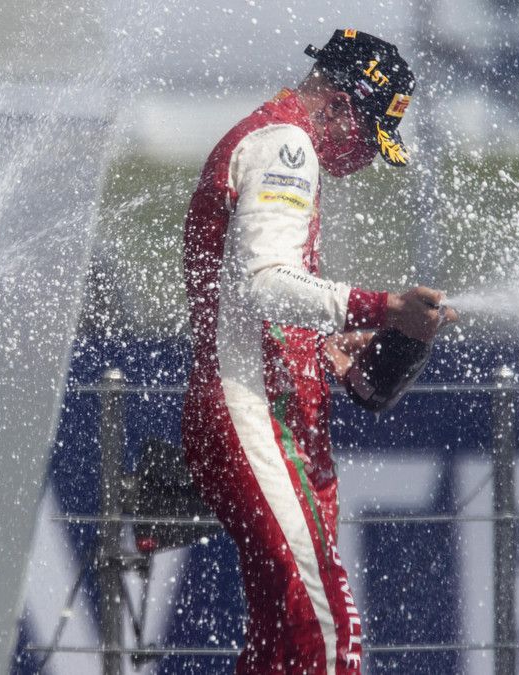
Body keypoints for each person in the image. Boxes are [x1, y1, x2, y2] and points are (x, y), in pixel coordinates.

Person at [182, 29, 457, 674]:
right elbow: (264, 283)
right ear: (337, 105)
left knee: (280, 641)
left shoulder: (270, 138)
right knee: (327, 630)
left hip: (251, 405)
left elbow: (250, 297)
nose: (365, 160)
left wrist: (323, 345)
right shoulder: (287, 145)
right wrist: (383, 306)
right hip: (251, 413)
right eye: (368, 140)